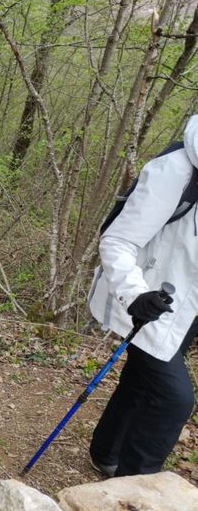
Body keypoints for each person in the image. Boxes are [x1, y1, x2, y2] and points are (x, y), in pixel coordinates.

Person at [87, 116, 198, 478]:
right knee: (172, 400)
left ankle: (106, 451)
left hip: (186, 313)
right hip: (147, 304)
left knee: (140, 380)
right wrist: (135, 296)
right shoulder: (176, 171)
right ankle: (132, 490)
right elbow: (118, 240)